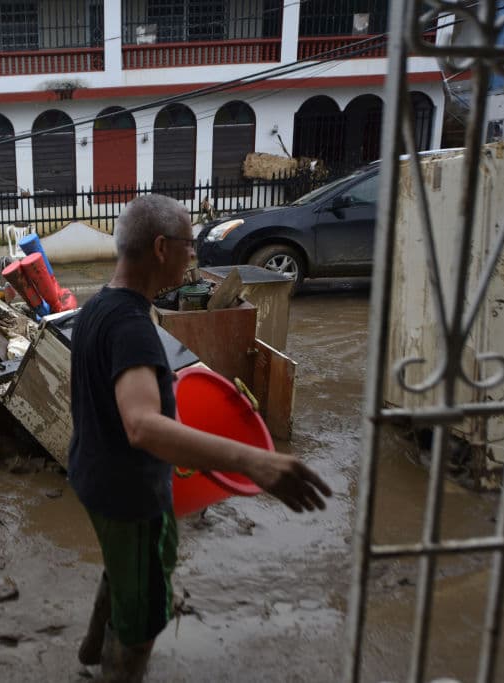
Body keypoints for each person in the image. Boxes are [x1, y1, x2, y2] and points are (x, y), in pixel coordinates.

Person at [69, 194, 332, 682]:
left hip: (94, 477)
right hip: (128, 496)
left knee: (124, 568)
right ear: (163, 248)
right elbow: (142, 426)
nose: (195, 255)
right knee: (144, 616)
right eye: (190, 245)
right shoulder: (131, 326)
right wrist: (254, 460)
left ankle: (89, 650)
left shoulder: (96, 310)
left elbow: (114, 396)